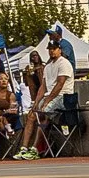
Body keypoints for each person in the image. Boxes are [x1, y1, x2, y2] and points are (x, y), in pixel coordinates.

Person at [16, 31, 75, 159]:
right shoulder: (47, 67)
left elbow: (59, 85)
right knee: (32, 115)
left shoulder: (64, 63)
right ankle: (24, 148)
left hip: (64, 97)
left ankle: (35, 149)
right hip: (50, 96)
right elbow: (43, 86)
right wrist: (36, 102)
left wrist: (47, 101)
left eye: (54, 49)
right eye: (50, 49)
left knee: (44, 114)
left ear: (59, 50)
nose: (52, 51)